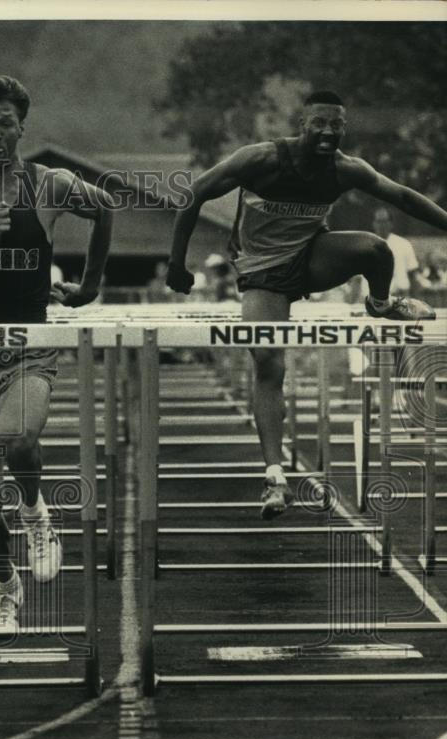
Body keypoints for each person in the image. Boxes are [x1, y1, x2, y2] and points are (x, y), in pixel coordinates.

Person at [167, 90, 443, 520]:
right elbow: (194, 194)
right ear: (303, 123)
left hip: (310, 257)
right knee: (269, 362)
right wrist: (176, 263)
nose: (329, 132)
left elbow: (404, 197)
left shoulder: (345, 169)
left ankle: (381, 303)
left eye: (337, 125)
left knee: (375, 250)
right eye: (320, 123)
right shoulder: (260, 160)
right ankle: (275, 476)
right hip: (261, 272)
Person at [0, 75, 114, 629]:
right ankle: (5, 588)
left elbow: (105, 209)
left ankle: (35, 513)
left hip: (29, 344)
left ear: (21, 128)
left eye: (6, 122)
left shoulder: (49, 184)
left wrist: (90, 285)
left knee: (18, 437)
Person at [372, 207, 422, 295]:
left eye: (384, 221)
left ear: (391, 224)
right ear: (373, 223)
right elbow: (357, 280)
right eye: (378, 221)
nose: (381, 225)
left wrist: (416, 301)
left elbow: (413, 276)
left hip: (400, 297)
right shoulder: (366, 245)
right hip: (373, 298)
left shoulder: (404, 244)